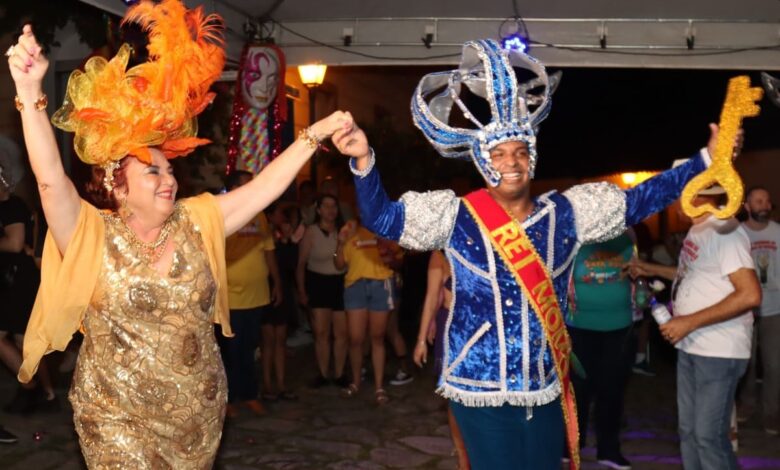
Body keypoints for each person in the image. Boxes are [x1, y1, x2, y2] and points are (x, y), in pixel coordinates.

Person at [333, 38, 726, 469]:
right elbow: (383, 219)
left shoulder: (567, 214)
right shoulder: (455, 215)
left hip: (543, 382)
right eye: (499, 154)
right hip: (478, 385)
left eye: (520, 152)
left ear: (532, 158)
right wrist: (364, 160)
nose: (512, 162)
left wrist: (704, 161)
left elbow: (638, 201)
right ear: (483, 162)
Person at [6, 1, 353, 466]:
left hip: (196, 413)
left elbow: (264, 188)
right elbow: (49, 180)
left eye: (169, 170)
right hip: (115, 415)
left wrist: (315, 134)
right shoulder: (90, 234)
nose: (168, 179)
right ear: (117, 186)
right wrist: (30, 90)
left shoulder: (197, 220)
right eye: (152, 172)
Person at [627, 182, 760, 470]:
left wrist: (688, 321)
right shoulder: (697, 230)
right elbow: (694, 274)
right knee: (688, 432)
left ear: (698, 196)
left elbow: (750, 294)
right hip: (692, 345)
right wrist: (651, 268)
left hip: (718, 351)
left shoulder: (725, 231)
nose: (674, 201)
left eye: (680, 194)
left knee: (709, 438)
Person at [565, 231, 637, 469]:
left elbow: (636, 272)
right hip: (579, 327)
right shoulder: (573, 237)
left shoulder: (627, 237)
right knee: (578, 389)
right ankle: (571, 446)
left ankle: (608, 450)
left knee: (612, 391)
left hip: (619, 327)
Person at [0, 137, 56, 414]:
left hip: (20, 282)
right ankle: (45, 394)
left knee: (20, 341)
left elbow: (15, 244)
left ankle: (34, 390)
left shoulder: (13, 206)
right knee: (25, 343)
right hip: (15, 281)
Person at [221, 170, 282, 417]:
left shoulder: (259, 215)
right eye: (247, 184)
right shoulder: (223, 214)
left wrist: (277, 282)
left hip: (257, 294)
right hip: (231, 297)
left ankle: (249, 395)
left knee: (249, 348)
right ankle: (229, 399)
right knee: (231, 351)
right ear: (234, 188)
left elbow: (269, 250)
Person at [414, 249, 470, 469]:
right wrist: (421, 339)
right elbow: (432, 296)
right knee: (456, 398)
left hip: (483, 331)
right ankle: (462, 457)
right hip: (453, 330)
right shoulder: (440, 254)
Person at [335, 220, 400, 404]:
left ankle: (379, 387)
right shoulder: (349, 229)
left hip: (381, 283)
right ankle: (355, 382)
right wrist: (339, 243)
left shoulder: (385, 226)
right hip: (355, 285)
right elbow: (338, 264)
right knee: (355, 338)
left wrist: (388, 252)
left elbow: (397, 260)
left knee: (377, 337)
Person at [737, 186, 780, 434]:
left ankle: (771, 412)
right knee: (747, 362)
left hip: (775, 309)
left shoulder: (778, 232)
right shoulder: (738, 233)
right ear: (747, 206)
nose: (764, 205)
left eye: (767, 200)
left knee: (774, 364)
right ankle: (747, 403)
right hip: (745, 308)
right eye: (758, 201)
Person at [296, 194, 349, 388]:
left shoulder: (344, 231)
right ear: (318, 210)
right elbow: (301, 264)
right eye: (326, 206)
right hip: (318, 283)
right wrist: (302, 291)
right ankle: (323, 373)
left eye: (333, 206)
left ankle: (340, 373)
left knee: (341, 333)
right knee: (321, 333)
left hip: (340, 283)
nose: (330, 210)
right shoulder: (311, 232)